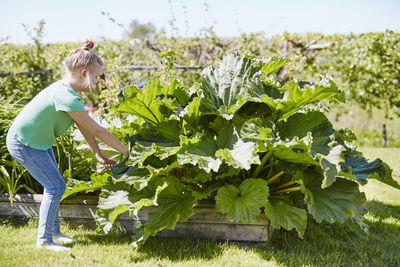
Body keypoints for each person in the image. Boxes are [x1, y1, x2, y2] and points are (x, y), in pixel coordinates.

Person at [6, 39, 129, 252]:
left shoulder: (68, 92)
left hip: (38, 141)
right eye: (97, 77)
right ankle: (44, 240)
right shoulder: (66, 96)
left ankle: (53, 232)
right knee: (56, 186)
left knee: (54, 185)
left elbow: (84, 127)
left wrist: (98, 153)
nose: (99, 82)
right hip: (24, 143)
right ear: (83, 73)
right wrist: (125, 150)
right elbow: (98, 130)